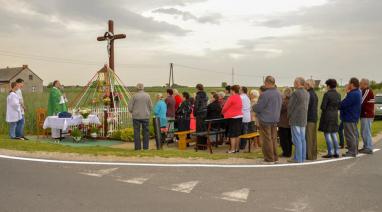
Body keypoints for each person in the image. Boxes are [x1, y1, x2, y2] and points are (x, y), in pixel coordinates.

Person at [253, 76, 282, 163]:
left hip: (265, 119)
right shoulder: (279, 93)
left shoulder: (265, 94)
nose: (264, 84)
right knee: (273, 139)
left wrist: (254, 106)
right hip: (275, 119)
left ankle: (269, 158)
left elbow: (259, 108)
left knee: (266, 140)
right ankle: (275, 157)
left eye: (265, 82)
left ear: (267, 83)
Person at [288, 77, 309, 163]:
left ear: (298, 83)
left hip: (295, 118)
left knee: (297, 139)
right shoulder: (307, 92)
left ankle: (298, 159)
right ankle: (302, 157)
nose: (294, 83)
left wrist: (289, 116)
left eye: (295, 82)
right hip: (303, 117)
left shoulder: (295, 93)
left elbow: (290, 106)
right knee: (302, 139)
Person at [319, 79, 341, 158]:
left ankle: (330, 152)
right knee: (334, 133)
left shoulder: (327, 94)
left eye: (326, 86)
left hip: (327, 116)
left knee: (327, 134)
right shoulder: (338, 94)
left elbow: (323, 106)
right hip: (335, 115)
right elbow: (339, 106)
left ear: (328, 86)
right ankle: (337, 152)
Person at [340, 78, 362, 157]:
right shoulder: (358, 92)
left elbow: (343, 104)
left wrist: (340, 103)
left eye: (349, 83)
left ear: (352, 84)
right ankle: (354, 150)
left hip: (349, 117)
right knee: (354, 134)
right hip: (354, 116)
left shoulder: (352, 94)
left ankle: (352, 151)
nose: (348, 85)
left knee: (350, 135)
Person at [128, 83, 153, 150]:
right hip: (145, 116)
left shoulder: (134, 96)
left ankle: (137, 148)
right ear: (143, 88)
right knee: (146, 132)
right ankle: (145, 147)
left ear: (137, 88)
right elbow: (151, 107)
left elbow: (130, 107)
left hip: (136, 116)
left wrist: (132, 111)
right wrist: (148, 112)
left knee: (137, 132)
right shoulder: (147, 95)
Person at [222, 85, 243, 153]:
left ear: (232, 90)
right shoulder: (239, 97)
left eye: (231, 90)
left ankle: (232, 149)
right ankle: (237, 148)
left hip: (233, 117)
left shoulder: (232, 97)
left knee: (232, 134)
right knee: (238, 133)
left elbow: (225, 107)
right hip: (239, 116)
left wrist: (222, 112)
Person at [359, 79, 375, 154]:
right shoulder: (364, 91)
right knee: (363, 131)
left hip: (367, 114)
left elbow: (361, 101)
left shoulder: (367, 91)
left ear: (365, 84)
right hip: (365, 115)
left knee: (366, 131)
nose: (359, 84)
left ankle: (368, 147)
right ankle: (366, 146)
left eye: (361, 83)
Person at [305, 79, 318, 160]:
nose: (304, 86)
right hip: (314, 117)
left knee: (309, 138)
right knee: (313, 138)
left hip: (309, 118)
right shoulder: (314, 94)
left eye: (306, 84)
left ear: (309, 85)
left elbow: (307, 107)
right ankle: (313, 155)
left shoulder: (308, 94)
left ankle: (309, 156)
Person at [278, 87, 293, 157]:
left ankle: (286, 152)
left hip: (283, 123)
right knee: (289, 138)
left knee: (284, 139)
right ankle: (289, 152)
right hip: (289, 122)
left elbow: (280, 109)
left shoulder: (285, 101)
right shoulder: (292, 100)